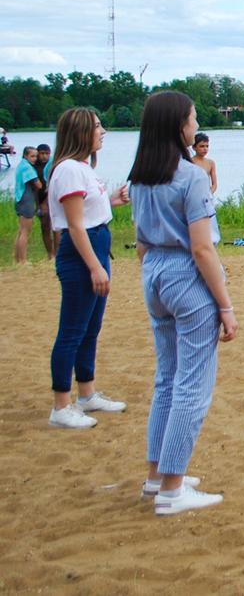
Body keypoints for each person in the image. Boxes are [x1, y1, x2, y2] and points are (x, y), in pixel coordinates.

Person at [129, 91, 238, 514]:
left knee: (167, 377)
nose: (196, 126)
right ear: (180, 126)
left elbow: (140, 242)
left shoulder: (141, 176)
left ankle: (158, 475)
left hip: (153, 271)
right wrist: (225, 304)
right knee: (192, 384)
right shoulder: (190, 176)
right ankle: (173, 488)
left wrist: (153, 277)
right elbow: (202, 249)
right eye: (193, 119)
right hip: (184, 275)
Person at [46, 108, 130, 429]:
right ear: (82, 132)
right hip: (81, 253)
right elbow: (75, 226)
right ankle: (60, 405)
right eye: (97, 127)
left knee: (90, 327)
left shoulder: (83, 169)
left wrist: (113, 200)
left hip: (95, 244)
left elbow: (88, 211)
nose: (103, 131)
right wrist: (95, 266)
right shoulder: (68, 170)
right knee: (72, 330)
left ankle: (87, 393)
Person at [14, 146, 40, 264]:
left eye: (36, 156)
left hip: (20, 198)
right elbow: (38, 184)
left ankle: (18, 258)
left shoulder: (21, 165)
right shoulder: (27, 167)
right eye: (32, 156)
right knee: (25, 231)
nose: (35, 159)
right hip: (26, 199)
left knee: (21, 231)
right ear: (25, 155)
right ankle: (23, 260)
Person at [36, 144, 57, 257]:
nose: (44, 156)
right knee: (44, 227)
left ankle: (57, 252)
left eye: (46, 154)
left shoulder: (52, 166)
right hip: (39, 200)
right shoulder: (34, 166)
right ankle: (50, 253)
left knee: (56, 227)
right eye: (42, 153)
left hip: (50, 200)